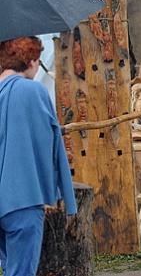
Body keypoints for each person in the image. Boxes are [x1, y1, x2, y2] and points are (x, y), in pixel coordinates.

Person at [0, 36, 78, 275]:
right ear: (32, 60)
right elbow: (54, 144)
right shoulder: (35, 91)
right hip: (23, 198)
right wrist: (68, 200)